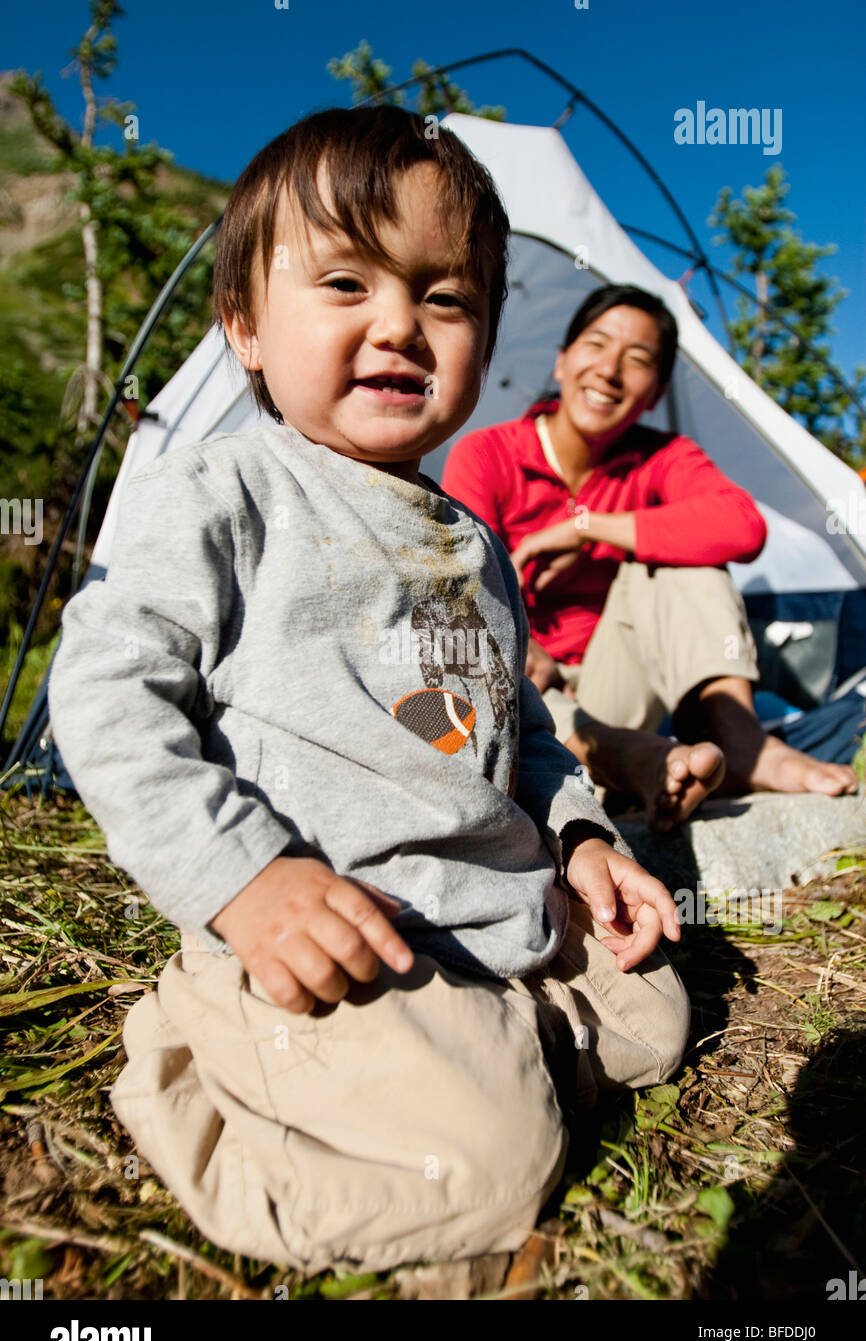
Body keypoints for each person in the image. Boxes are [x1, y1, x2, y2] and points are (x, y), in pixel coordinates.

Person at [46, 108, 690, 1276]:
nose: (399, 322)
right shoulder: (224, 490)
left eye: (443, 298)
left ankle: (491, 1043)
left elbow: (520, 733)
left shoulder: (470, 538)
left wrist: (583, 838)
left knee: (657, 1018)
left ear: (484, 337)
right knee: (497, 1163)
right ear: (243, 324)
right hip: (335, 923)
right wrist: (244, 875)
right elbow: (105, 686)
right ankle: (194, 1066)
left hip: (487, 906)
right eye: (344, 281)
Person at [442, 284, 860, 831]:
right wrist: (522, 639)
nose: (610, 370)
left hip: (615, 681)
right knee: (498, 647)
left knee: (681, 552)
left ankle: (741, 745)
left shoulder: (662, 457)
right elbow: (462, 587)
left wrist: (591, 529)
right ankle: (640, 763)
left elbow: (741, 524)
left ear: (657, 391)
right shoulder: (489, 454)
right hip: (528, 691)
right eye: (596, 345)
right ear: (563, 362)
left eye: (637, 359)